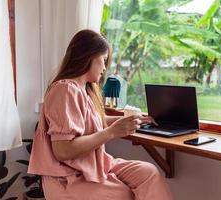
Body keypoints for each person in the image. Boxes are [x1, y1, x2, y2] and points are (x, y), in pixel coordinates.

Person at [28, 29, 173, 200]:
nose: (105, 68)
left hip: (96, 164)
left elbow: (92, 121)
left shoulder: (84, 89)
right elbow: (63, 150)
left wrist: (129, 120)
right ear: (88, 57)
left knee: (148, 173)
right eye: (103, 60)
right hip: (69, 177)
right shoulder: (65, 89)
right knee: (125, 194)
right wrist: (111, 132)